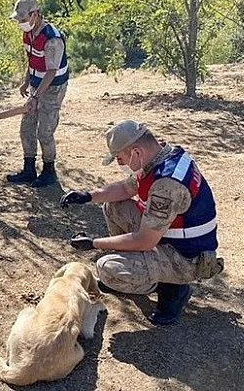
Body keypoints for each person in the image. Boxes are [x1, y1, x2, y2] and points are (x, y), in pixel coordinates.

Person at [59, 120, 223, 325]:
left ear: (136, 152)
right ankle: (143, 271)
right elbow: (127, 189)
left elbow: (145, 241)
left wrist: (93, 243)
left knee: (108, 268)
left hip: (185, 258)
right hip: (170, 238)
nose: (120, 164)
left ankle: (172, 288)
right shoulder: (161, 156)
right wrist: (88, 196)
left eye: (120, 158)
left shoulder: (166, 184)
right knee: (113, 206)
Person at [7, 0, 69, 188]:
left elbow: (51, 72)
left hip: (53, 86)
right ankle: (29, 169)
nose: (20, 23)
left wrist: (35, 96)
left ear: (35, 14)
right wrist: (26, 82)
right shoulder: (29, 34)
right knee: (26, 127)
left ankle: (49, 171)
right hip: (36, 84)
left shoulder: (52, 38)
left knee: (45, 130)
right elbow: (32, 60)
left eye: (23, 19)